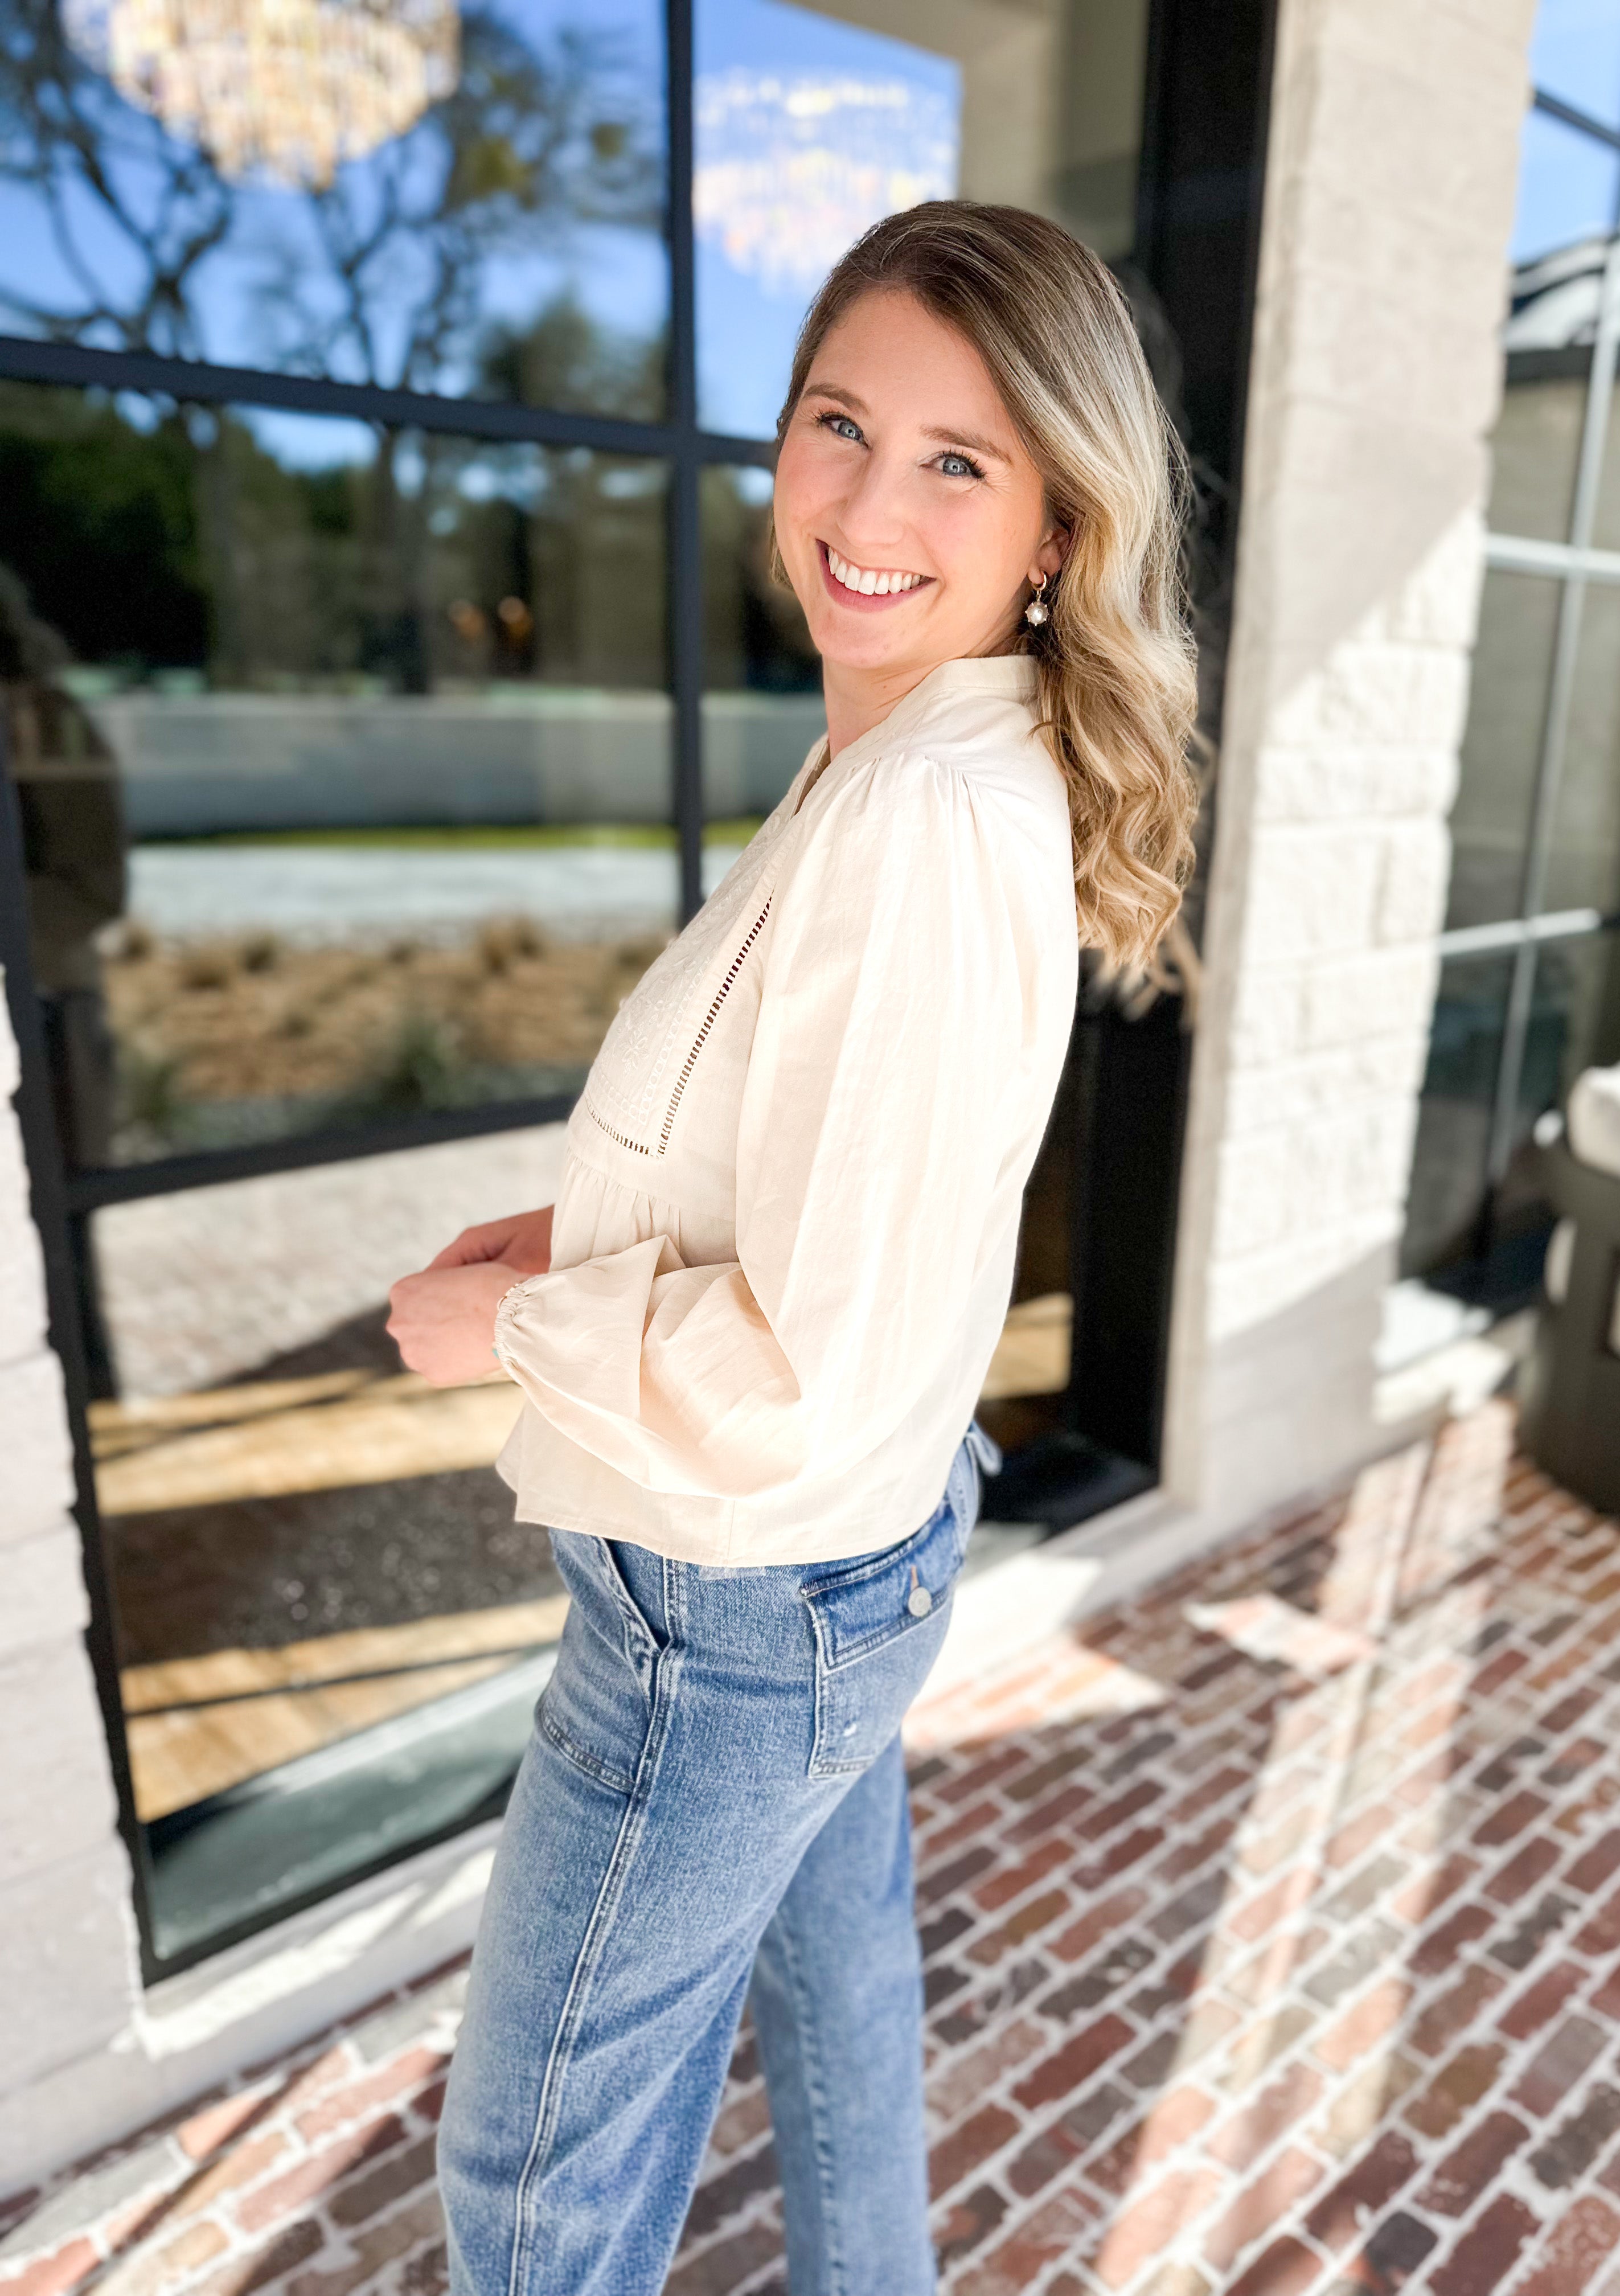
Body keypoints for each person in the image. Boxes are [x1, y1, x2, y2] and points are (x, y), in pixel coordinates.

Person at [386, 200, 1199, 2296]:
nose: (864, 503)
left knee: (534, 2186)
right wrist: (579, 1226)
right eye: (840, 421)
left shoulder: (921, 813)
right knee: (840, 2022)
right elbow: (815, 1171)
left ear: (1053, 530)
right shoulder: (917, 746)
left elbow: (794, 1358)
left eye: (956, 460)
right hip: (856, 1550)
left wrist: (509, 1323)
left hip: (732, 1615)